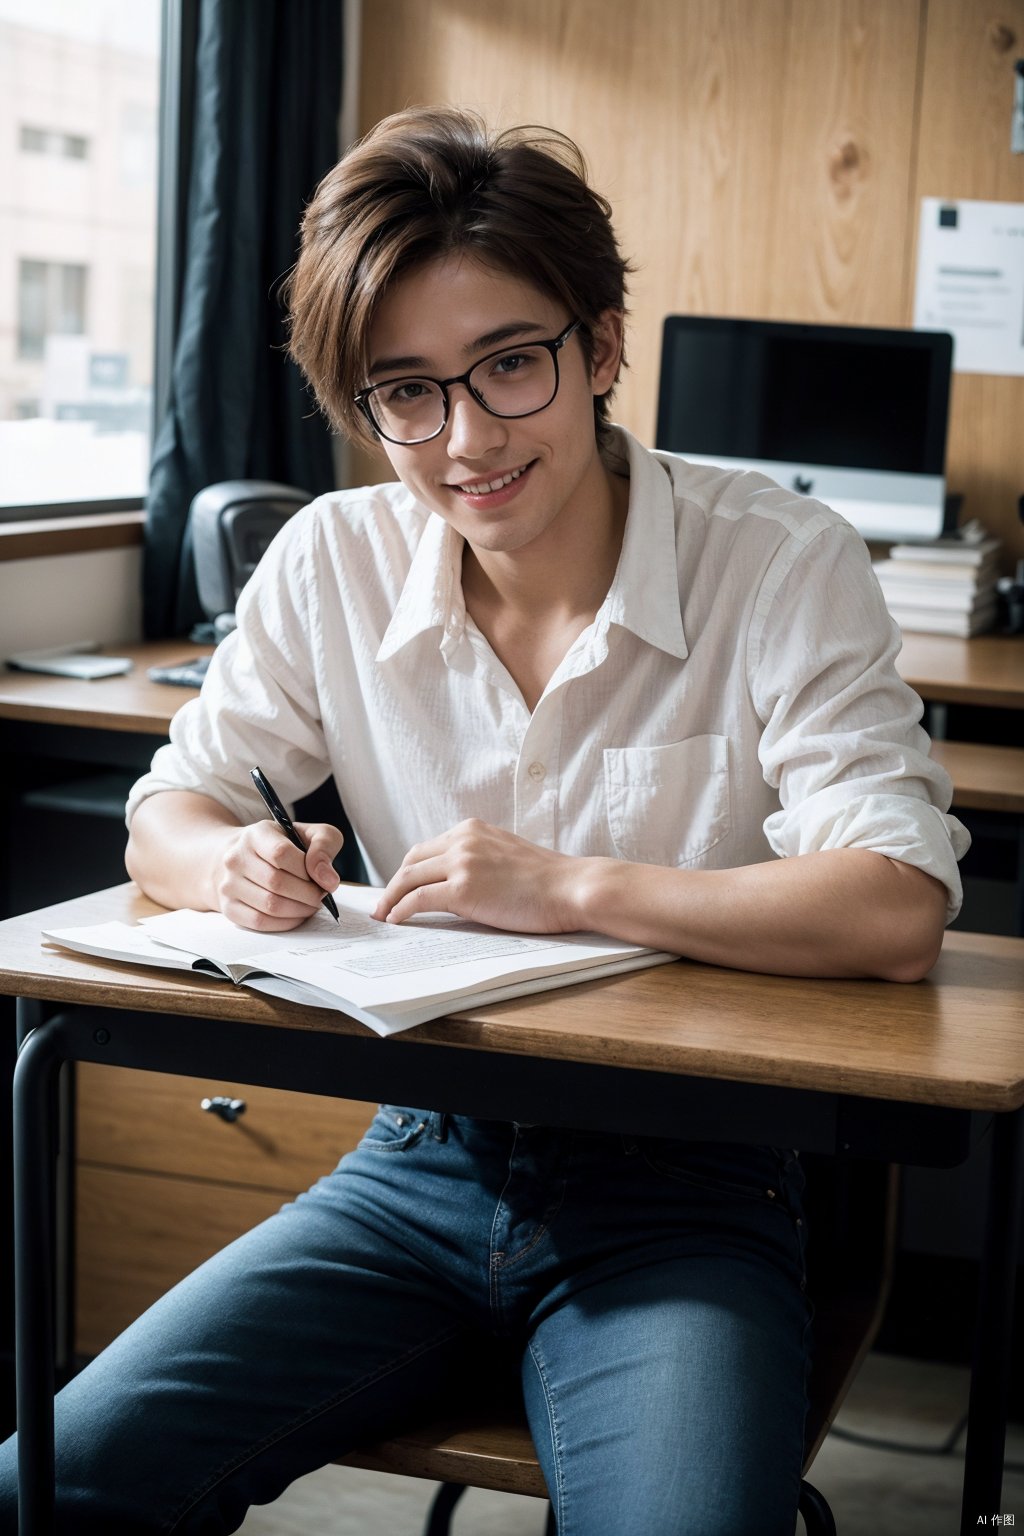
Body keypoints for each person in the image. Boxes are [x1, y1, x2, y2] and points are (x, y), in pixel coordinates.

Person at [0, 106, 967, 1535]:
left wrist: (573, 887)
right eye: (407, 392)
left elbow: (895, 904)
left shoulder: (778, 558)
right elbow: (170, 813)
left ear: (602, 345)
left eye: (510, 365)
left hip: (688, 1193)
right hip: (416, 1167)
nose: (465, 440)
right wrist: (237, 864)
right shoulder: (331, 555)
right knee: (52, 1484)